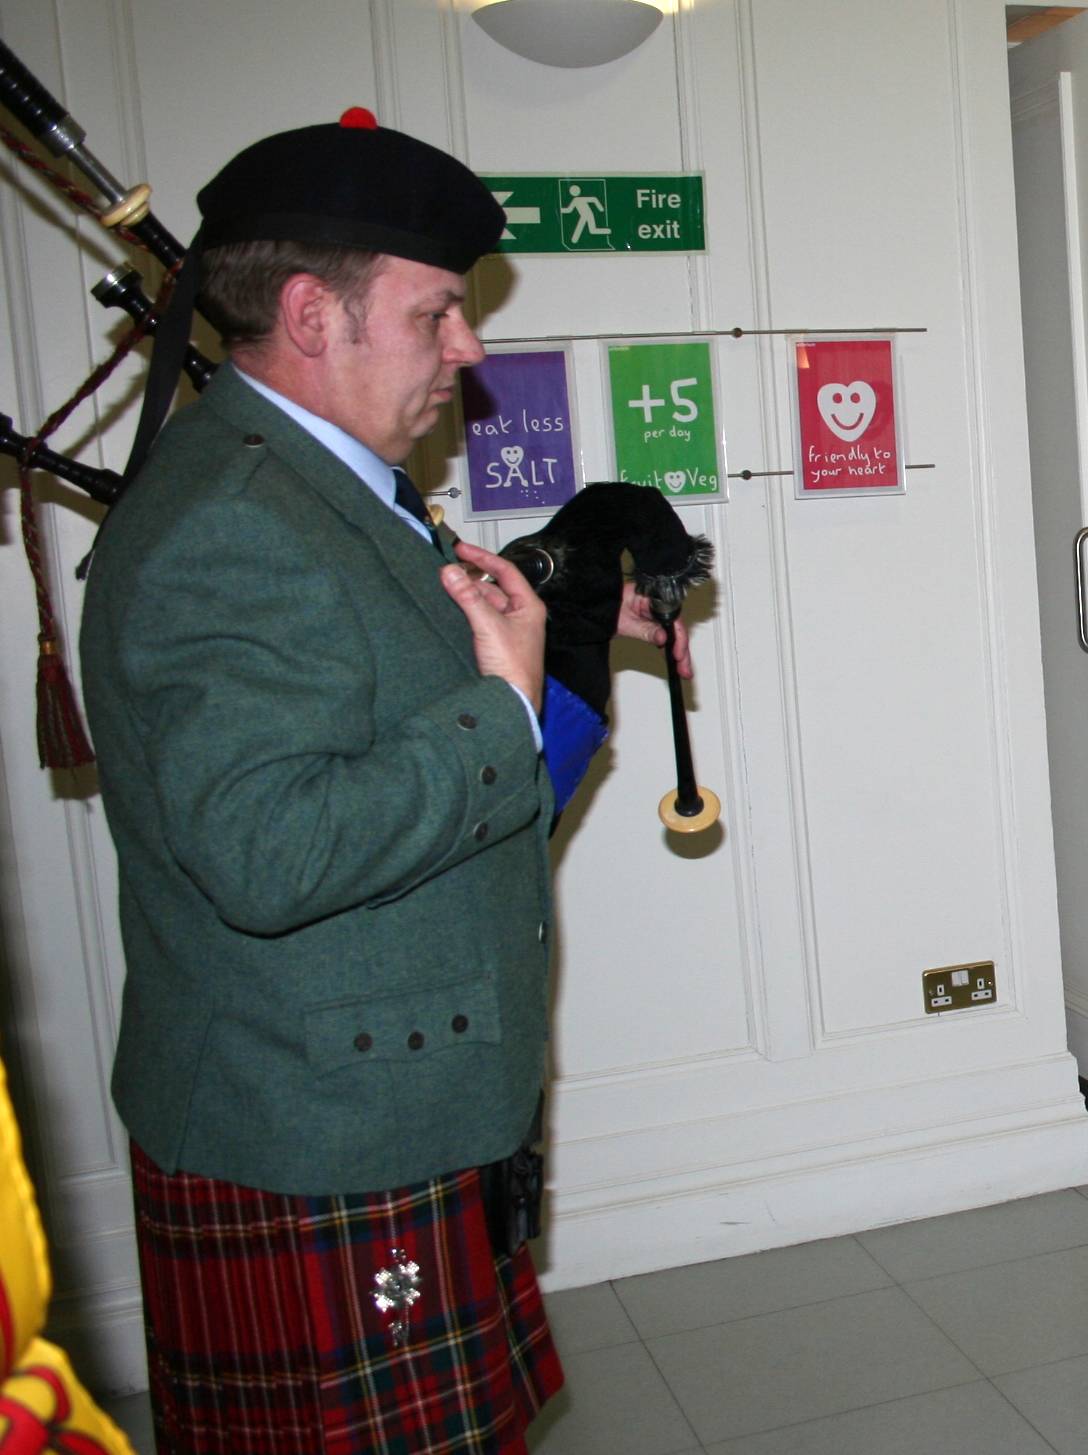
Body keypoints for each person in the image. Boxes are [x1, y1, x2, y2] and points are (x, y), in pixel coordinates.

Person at [79, 113, 683, 1453]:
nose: (466, 349)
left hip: (383, 1107)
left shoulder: (326, 490)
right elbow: (269, 849)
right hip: (322, 1132)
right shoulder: (234, 524)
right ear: (312, 314)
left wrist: (569, 632)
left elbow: (391, 709)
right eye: (435, 313)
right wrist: (502, 706)